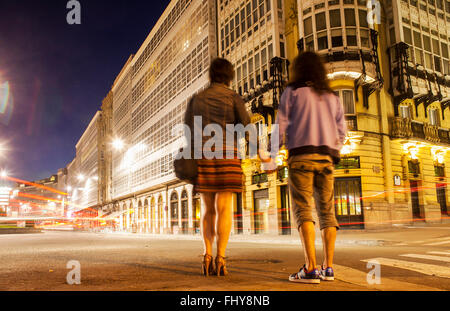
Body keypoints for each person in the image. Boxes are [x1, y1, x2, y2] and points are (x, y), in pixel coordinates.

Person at [272, 51, 347, 284]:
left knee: (303, 210)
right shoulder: (332, 96)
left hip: (301, 157)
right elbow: (342, 133)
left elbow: (280, 126)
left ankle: (310, 268)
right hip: (326, 159)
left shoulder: (292, 93)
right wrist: (331, 146)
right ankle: (329, 268)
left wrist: (270, 157)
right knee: (327, 213)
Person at [184, 58, 252, 276]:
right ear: (230, 76)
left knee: (207, 209)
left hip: (205, 155)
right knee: (224, 208)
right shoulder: (233, 98)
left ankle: (207, 255)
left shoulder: (197, 99)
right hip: (228, 155)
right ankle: (221, 258)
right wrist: (259, 150)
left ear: (211, 75)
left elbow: (188, 129)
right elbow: (246, 126)